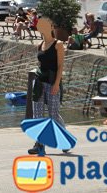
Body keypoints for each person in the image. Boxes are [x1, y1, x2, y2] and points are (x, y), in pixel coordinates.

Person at [28, 17, 67, 155]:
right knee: (37, 115)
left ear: (51, 27)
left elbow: (61, 66)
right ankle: (39, 143)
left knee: (53, 115)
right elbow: (40, 64)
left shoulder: (58, 44)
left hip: (52, 82)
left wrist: (57, 83)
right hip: (39, 82)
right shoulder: (39, 45)